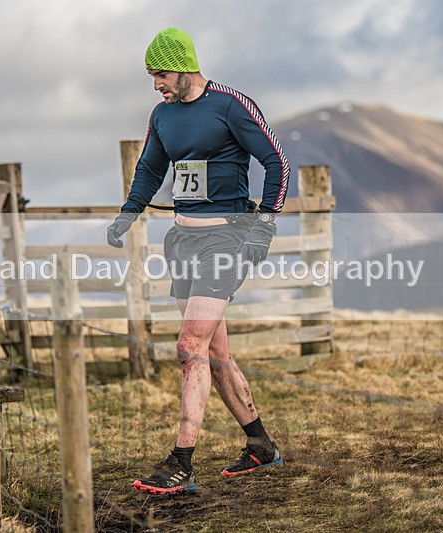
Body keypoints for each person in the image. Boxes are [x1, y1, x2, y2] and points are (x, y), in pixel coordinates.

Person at [107, 27, 289, 495]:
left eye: (161, 74)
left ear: (185, 66)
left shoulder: (230, 105)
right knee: (213, 352)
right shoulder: (162, 116)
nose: (156, 85)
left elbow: (276, 163)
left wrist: (265, 224)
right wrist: (129, 212)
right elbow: (149, 168)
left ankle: (181, 462)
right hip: (183, 243)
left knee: (189, 346)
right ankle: (261, 446)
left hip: (225, 242)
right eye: (151, 76)